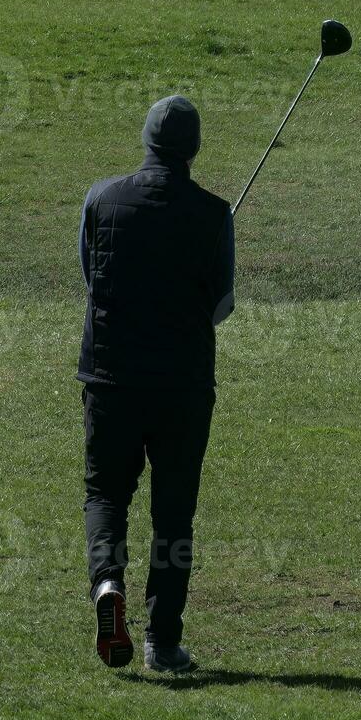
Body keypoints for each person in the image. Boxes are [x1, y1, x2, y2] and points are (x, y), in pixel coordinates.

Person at [77, 95, 234, 673]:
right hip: (182, 385)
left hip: (109, 377)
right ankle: (161, 643)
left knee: (105, 496)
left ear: (146, 142)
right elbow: (222, 306)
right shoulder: (215, 215)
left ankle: (107, 587)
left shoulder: (100, 198)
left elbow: (91, 277)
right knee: (173, 515)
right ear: (193, 149)